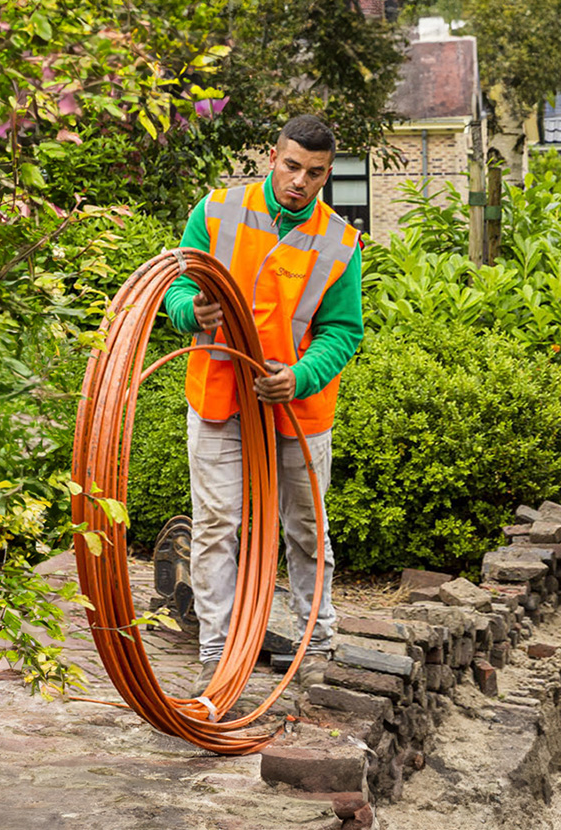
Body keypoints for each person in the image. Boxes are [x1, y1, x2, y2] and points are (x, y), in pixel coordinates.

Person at [163, 115, 363, 694]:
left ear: (328, 175)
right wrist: (188, 311)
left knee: (305, 528)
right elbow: (179, 284)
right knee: (217, 525)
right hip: (220, 397)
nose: (301, 181)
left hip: (294, 409)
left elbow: (342, 332)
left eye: (316, 173)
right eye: (293, 166)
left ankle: (316, 646)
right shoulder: (217, 211)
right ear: (273, 157)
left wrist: (298, 376)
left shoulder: (339, 242)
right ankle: (217, 655)